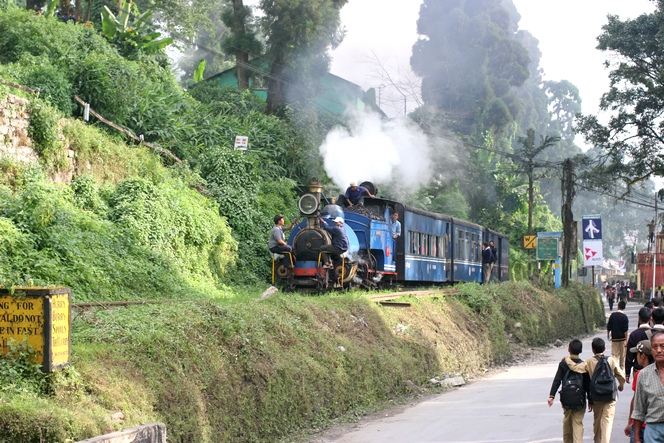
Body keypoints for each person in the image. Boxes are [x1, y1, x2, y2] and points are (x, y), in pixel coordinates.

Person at [565, 337, 626, 443]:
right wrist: (621, 385)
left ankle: (597, 440)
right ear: (604, 348)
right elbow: (621, 375)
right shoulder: (610, 360)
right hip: (610, 396)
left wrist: (567, 360)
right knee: (607, 421)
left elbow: (576, 368)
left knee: (597, 420)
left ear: (593, 349)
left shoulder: (589, 361)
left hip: (597, 396)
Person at [548, 339, 592, 443]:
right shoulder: (583, 365)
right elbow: (587, 384)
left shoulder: (564, 364)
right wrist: (590, 400)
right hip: (580, 399)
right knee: (577, 422)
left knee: (567, 421)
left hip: (566, 399)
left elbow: (557, 380)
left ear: (568, 349)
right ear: (581, 351)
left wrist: (552, 396)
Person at [631, 331, 664, 443]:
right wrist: (636, 437)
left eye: (662, 346)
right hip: (653, 430)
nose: (659, 350)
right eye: (655, 347)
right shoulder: (643, 375)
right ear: (651, 351)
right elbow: (639, 409)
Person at [624, 339, 654, 443]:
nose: (636, 357)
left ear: (643, 356)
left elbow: (636, 399)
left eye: (637, 353)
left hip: (641, 424)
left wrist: (630, 422)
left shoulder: (640, 374)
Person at [626, 308, 653, 383]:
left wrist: (627, 373)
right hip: (652, 369)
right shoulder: (654, 334)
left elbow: (629, 355)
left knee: (638, 392)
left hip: (638, 369)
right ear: (650, 319)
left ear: (639, 318)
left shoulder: (634, 334)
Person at [607, 301, 629, 372]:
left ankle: (615, 369)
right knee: (622, 355)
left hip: (614, 339)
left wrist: (608, 336)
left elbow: (609, 327)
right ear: (624, 308)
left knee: (615, 355)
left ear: (618, 306)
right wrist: (626, 339)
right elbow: (625, 330)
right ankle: (621, 369)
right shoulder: (624, 317)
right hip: (622, 339)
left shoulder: (613, 315)